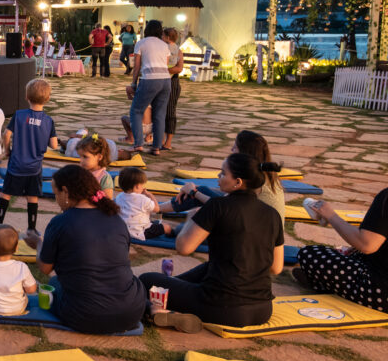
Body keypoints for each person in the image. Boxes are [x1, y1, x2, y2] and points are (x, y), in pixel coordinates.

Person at [139, 154, 284, 330]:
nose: (218, 177)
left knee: (147, 280)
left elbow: (183, 247)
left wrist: (191, 220)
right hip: (262, 309)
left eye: (223, 174)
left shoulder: (218, 206)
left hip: (223, 308)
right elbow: (276, 267)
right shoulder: (272, 214)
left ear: (238, 182)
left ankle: (158, 311)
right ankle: (170, 288)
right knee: (208, 267)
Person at [24, 165, 147, 334]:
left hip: (86, 315)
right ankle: (151, 309)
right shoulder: (115, 218)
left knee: (53, 283)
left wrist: (38, 243)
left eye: (56, 194)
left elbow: (45, 268)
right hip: (132, 312)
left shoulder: (61, 222)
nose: (56, 199)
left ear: (66, 191)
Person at [293, 188, 388, 312]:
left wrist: (329, 214)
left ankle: (321, 282)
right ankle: (321, 281)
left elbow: (366, 244)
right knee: (352, 253)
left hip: (380, 290)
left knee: (309, 254)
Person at [0, 78, 58, 239]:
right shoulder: (48, 121)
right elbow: (54, 145)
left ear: (26, 96)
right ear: (48, 99)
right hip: (34, 168)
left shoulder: (19, 115)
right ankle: (31, 229)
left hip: (16, 164)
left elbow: (6, 134)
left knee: (6, 194)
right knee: (32, 197)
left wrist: (7, 150)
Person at [173, 130, 285, 223]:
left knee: (196, 216)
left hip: (254, 232)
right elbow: (227, 198)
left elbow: (224, 206)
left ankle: (166, 222)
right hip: (254, 224)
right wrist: (196, 190)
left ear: (244, 152)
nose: (231, 150)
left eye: (235, 147)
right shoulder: (261, 172)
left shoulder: (255, 180)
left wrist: (194, 193)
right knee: (202, 190)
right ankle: (158, 209)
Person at [128, 19, 171, 155]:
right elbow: (166, 64)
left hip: (149, 79)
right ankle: (156, 147)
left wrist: (133, 84)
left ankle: (138, 144)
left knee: (136, 110)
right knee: (159, 114)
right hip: (165, 80)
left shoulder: (141, 43)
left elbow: (137, 66)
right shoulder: (164, 45)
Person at [115, 168, 172, 240]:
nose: (143, 187)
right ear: (137, 186)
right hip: (140, 232)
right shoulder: (143, 199)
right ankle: (173, 237)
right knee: (167, 227)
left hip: (123, 230)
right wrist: (150, 195)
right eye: (142, 185)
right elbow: (157, 209)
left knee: (152, 222)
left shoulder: (119, 197)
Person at [160, 27, 183, 151]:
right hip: (161, 80)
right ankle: (160, 139)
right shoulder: (167, 48)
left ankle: (168, 142)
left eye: (163, 36)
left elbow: (179, 68)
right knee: (159, 111)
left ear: (168, 37)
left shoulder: (177, 50)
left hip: (171, 81)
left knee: (170, 112)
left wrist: (164, 70)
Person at [75, 134, 115, 199]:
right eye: (80, 156)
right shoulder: (81, 173)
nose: (81, 160)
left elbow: (108, 200)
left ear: (99, 157)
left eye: (85, 157)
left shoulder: (104, 177)